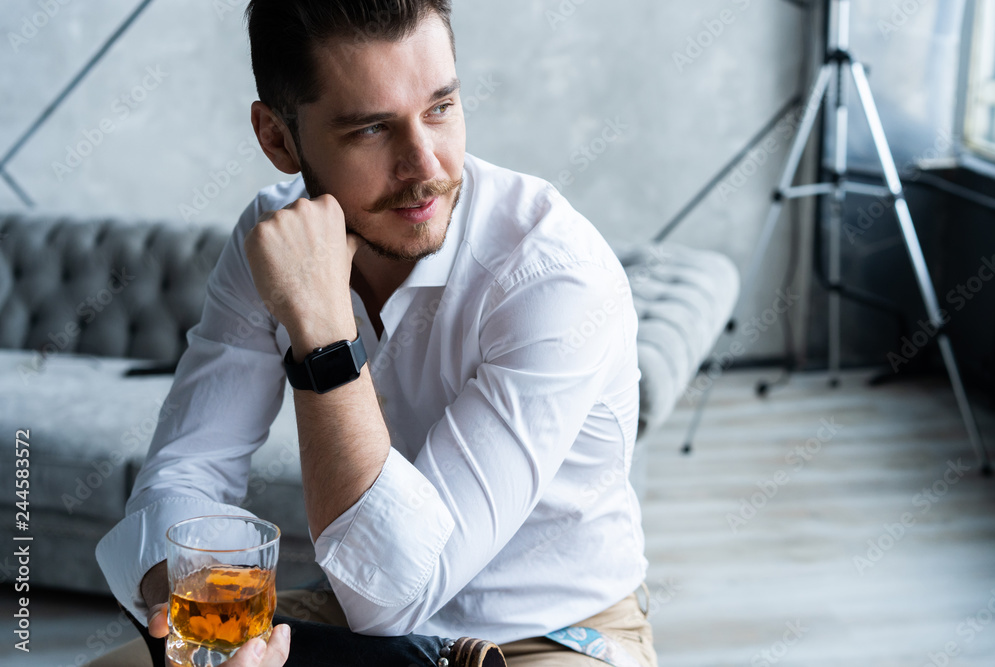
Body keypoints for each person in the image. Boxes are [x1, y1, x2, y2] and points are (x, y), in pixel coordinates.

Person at [93, 1, 654, 665]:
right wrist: (206, 618)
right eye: (370, 130)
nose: (425, 165)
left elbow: (394, 588)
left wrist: (324, 332)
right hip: (352, 622)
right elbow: (186, 471)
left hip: (547, 632)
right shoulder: (273, 238)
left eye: (441, 107)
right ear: (277, 138)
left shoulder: (551, 274)